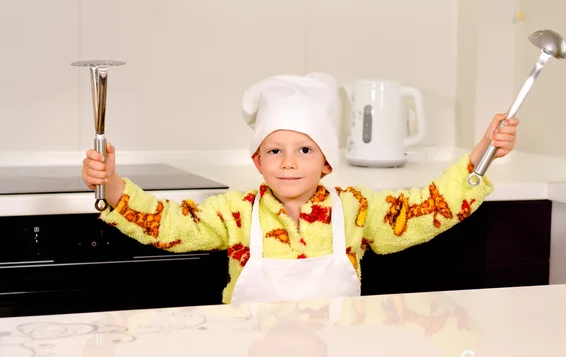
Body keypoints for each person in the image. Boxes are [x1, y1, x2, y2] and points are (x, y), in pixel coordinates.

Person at [81, 72, 519, 306]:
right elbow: (168, 223)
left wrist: (484, 152)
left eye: (305, 149)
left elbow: (427, 209)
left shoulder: (355, 210)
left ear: (327, 161)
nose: (289, 162)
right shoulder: (236, 213)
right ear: (256, 160)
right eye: (274, 151)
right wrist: (114, 185)